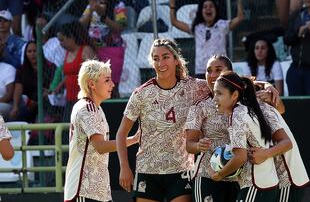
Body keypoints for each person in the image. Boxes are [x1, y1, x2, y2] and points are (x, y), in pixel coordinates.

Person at [116, 38, 210, 202]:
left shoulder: (193, 86)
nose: (160, 63)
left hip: (181, 169)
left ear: (176, 59)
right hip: (148, 169)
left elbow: (226, 84)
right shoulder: (141, 94)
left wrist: (266, 87)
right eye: (156, 58)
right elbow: (121, 134)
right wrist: (124, 167)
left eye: (165, 57)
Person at [185, 54, 283, 202]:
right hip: (209, 175)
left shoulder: (245, 99)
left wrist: (269, 90)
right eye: (208, 70)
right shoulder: (199, 106)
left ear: (229, 73)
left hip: (240, 176)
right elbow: (189, 145)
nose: (212, 75)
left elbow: (280, 110)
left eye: (218, 70)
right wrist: (198, 145)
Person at [212, 71, 293, 201]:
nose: (214, 98)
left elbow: (240, 157)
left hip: (255, 186)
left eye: (219, 93)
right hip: (269, 186)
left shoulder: (237, 114)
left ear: (234, 95)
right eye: (214, 93)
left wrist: (219, 175)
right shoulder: (250, 109)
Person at [64, 59, 137, 202]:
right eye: (107, 80)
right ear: (92, 84)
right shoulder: (87, 108)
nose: (112, 84)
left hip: (98, 192)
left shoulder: (96, 108)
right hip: (83, 190)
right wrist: (133, 140)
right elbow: (101, 147)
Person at [169, 0, 244, 78]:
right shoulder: (196, 28)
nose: (208, 9)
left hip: (220, 70)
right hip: (201, 71)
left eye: (211, 6)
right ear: (201, 11)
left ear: (216, 10)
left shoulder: (222, 25)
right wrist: (172, 5)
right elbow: (174, 22)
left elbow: (240, 18)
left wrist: (239, 1)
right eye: (205, 7)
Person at [80, 0, 127, 98]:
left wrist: (103, 16)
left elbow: (120, 28)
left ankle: (115, 111)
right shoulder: (92, 5)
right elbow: (80, 25)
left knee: (112, 86)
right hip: (94, 49)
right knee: (96, 86)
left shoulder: (118, 5)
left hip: (113, 49)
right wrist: (92, 10)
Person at [55, 21, 97, 123]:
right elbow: (69, 75)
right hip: (70, 99)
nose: (61, 44)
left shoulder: (85, 50)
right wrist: (59, 87)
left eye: (62, 40)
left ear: (71, 37)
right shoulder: (67, 54)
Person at [9, 41, 39, 123]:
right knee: (14, 116)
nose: (33, 54)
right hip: (27, 105)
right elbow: (18, 89)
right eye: (29, 51)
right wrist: (15, 107)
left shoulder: (49, 67)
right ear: (25, 53)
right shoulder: (21, 70)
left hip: (44, 104)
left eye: (35, 51)